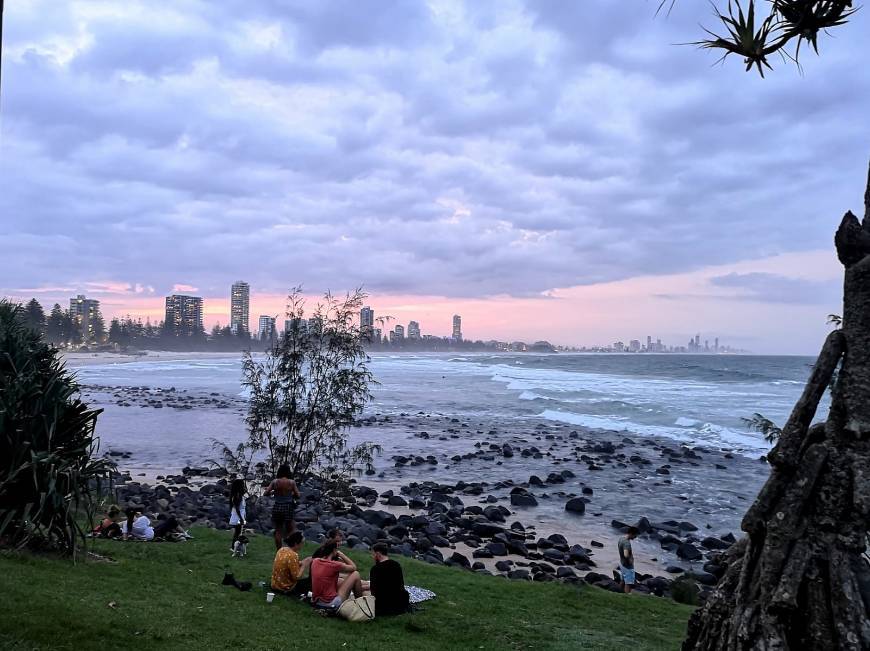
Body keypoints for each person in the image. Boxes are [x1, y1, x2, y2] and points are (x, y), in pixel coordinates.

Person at [310, 541, 364, 608]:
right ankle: (361, 604)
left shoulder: (315, 561)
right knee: (356, 574)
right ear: (334, 550)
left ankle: (361, 591)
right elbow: (354, 567)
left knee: (340, 581)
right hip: (331, 603)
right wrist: (342, 555)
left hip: (317, 601)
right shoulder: (334, 565)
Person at [264, 464, 300, 550]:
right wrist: (292, 494)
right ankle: (290, 549)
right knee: (291, 529)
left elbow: (266, 493)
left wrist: (273, 492)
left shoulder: (275, 482)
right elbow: (298, 495)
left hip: (277, 507)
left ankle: (279, 551)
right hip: (288, 507)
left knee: (278, 530)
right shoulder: (291, 482)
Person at [369, 543, 410, 616]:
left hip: (384, 606)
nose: (373, 557)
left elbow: (373, 590)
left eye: (373, 554)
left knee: (365, 593)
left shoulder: (375, 569)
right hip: (400, 603)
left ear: (378, 554)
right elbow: (400, 584)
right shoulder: (396, 564)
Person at [271, 531, 313, 596]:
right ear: (296, 543)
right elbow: (297, 577)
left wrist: (301, 562)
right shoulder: (293, 555)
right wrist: (304, 566)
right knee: (308, 582)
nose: (302, 545)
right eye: (302, 543)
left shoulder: (282, 549)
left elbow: (287, 563)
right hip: (285, 588)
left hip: (275, 584)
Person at [618, 526, 638, 593]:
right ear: (631, 533)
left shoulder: (621, 539)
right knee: (628, 583)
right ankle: (626, 597)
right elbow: (626, 554)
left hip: (622, 563)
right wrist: (631, 560)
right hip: (627, 566)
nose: (636, 537)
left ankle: (618, 593)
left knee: (623, 580)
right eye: (635, 535)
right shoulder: (627, 543)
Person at [229, 478, 247, 551]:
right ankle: (234, 547)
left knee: (238, 531)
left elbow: (244, 491)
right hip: (238, 516)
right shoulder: (237, 496)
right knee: (238, 532)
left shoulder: (237, 494)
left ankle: (235, 546)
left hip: (238, 515)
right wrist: (241, 518)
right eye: (242, 485)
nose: (243, 486)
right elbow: (237, 508)